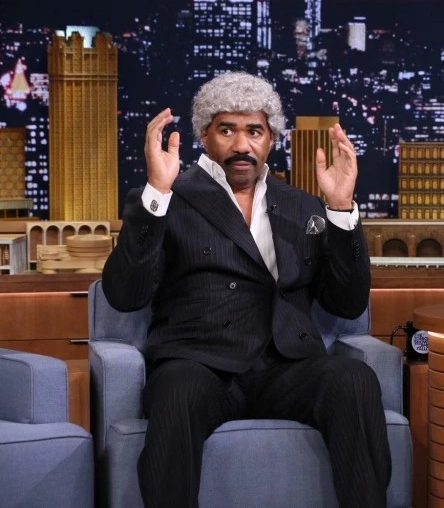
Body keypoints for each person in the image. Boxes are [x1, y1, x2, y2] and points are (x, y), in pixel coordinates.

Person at [102, 72, 391, 507]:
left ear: (271, 138)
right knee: (176, 389)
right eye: (227, 130)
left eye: (254, 131)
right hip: (200, 365)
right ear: (204, 135)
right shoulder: (169, 198)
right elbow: (125, 294)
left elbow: (347, 304)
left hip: (287, 367)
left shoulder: (303, 207)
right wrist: (157, 192)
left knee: (354, 379)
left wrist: (340, 210)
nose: (242, 145)